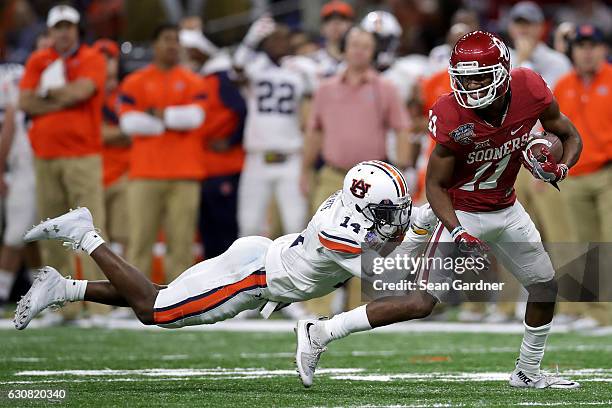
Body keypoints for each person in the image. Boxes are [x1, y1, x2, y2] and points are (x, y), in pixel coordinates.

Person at [295, 31, 582, 389]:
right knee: (420, 302)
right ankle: (321, 330)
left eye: (480, 76)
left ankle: (527, 371)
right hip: (461, 212)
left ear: (503, 71)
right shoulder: (450, 112)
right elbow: (435, 185)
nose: (473, 86)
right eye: (465, 78)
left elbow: (569, 135)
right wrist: (458, 230)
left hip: (507, 208)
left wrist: (561, 167)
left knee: (544, 287)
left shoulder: (531, 88)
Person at [14, 161, 436, 336]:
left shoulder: (351, 213)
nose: (393, 215)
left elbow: (404, 226)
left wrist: (431, 213)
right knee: (154, 310)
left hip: (260, 258)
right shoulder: (341, 232)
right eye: (387, 209)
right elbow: (391, 275)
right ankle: (86, 234)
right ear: (362, 206)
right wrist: (433, 242)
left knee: (162, 295)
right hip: (252, 279)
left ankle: (63, 288)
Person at [18, 5, 108, 319]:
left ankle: (100, 306)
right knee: (51, 231)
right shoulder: (38, 59)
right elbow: (25, 101)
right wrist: (61, 96)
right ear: (51, 30)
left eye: (69, 26)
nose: (64, 32)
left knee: (93, 232)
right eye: (59, 27)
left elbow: (83, 91)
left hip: (82, 156)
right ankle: (62, 306)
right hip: (45, 157)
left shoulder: (92, 57)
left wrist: (46, 95)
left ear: (77, 29)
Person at [118, 24, 207, 282]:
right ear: (154, 44)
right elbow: (128, 123)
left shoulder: (193, 80)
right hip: (145, 173)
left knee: (181, 243)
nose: (172, 45)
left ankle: (179, 303)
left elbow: (195, 118)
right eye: (167, 39)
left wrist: (155, 115)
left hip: (185, 174)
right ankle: (136, 300)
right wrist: (171, 119)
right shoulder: (135, 81)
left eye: (176, 40)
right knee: (139, 241)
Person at [302, 27, 411, 211]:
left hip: (373, 180)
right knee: (320, 233)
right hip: (332, 176)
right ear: (344, 48)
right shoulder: (325, 89)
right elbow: (315, 131)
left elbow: (402, 128)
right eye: (354, 45)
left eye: (366, 47)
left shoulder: (386, 88)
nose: (359, 50)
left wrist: (401, 171)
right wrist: (305, 170)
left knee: (372, 237)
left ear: (373, 53)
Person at [234, 19, 316, 237]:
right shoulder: (254, 66)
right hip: (257, 158)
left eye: (283, 38)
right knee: (249, 226)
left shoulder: (300, 68)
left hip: (290, 157)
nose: (279, 43)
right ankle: (252, 272)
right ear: (265, 42)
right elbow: (236, 71)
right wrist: (250, 41)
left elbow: (317, 95)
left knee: (296, 226)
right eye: (274, 38)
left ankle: (294, 272)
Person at [553, 24, 612, 327]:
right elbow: (552, 133)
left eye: (592, 45)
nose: (587, 52)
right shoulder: (562, 85)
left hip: (607, 173)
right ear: (572, 51)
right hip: (574, 175)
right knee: (586, 246)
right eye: (581, 46)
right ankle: (596, 313)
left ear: (603, 49)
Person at [180, 28, 246, 258]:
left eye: (191, 49)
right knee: (209, 233)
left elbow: (241, 109)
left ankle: (233, 285)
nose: (187, 53)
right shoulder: (206, 77)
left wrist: (230, 140)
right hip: (205, 167)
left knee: (224, 232)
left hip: (223, 167)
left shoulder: (220, 78)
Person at [0, 63, 38, 304]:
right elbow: (10, 127)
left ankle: (47, 294)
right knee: (19, 235)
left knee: (31, 235)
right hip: (20, 167)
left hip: (35, 166)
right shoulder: (16, 76)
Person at [94, 39, 131, 257]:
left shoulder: (126, 91)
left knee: (124, 236)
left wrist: (105, 134)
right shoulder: (86, 92)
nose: (105, 63)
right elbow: (89, 135)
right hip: (93, 174)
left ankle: (121, 288)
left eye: (109, 58)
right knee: (95, 238)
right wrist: (115, 134)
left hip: (123, 172)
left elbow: (132, 133)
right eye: (100, 58)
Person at [311, 0, 354, 78]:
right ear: (322, 28)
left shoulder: (360, 58)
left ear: (351, 25)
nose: (335, 23)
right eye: (329, 19)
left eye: (342, 19)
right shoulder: (312, 61)